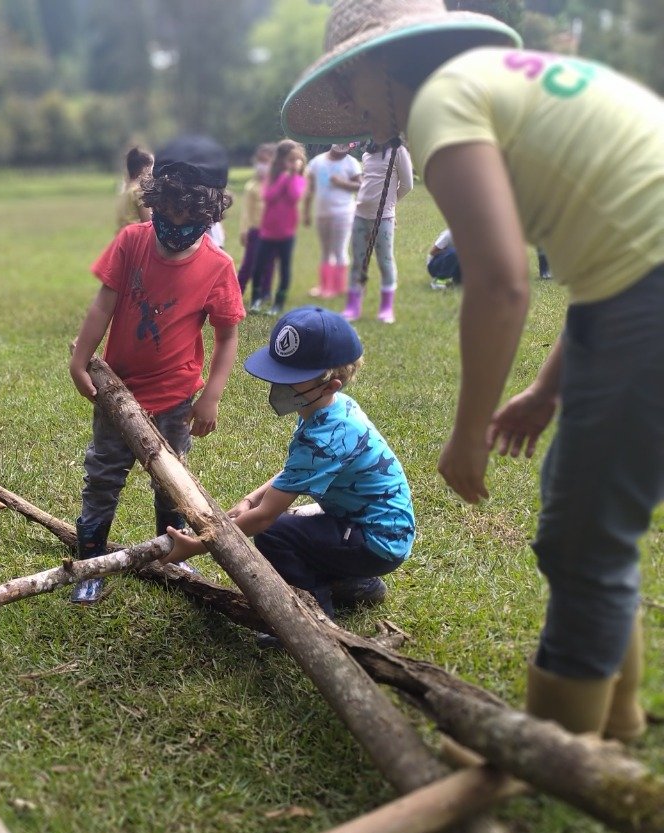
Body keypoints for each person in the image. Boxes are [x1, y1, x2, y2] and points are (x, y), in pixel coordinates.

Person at [282, 0, 664, 738]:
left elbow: (499, 281)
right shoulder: (489, 82)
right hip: (629, 295)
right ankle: (615, 718)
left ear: (379, 68)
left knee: (582, 537)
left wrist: (466, 434)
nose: (356, 111)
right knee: (591, 522)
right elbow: (608, 262)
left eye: (354, 88)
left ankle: (562, 751)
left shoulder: (442, 103)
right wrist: (546, 390)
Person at [68, 134, 245, 603]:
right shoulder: (131, 243)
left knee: (172, 482)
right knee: (103, 476)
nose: (175, 228)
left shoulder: (218, 267)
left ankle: (172, 554)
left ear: (209, 214)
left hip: (176, 398)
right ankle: (91, 565)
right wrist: (79, 359)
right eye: (166, 215)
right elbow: (102, 304)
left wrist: (212, 395)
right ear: (155, 202)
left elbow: (227, 335)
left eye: (189, 219)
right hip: (118, 394)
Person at [164, 307, 414, 619]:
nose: (278, 387)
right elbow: (297, 472)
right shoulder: (332, 410)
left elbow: (264, 518)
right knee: (295, 522)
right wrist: (250, 499)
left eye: (291, 380)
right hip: (370, 528)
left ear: (330, 385)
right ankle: (356, 585)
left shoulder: (325, 437)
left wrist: (198, 545)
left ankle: (314, 612)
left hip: (377, 542)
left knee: (277, 533)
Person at [341, 139, 413, 323]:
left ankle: (386, 309)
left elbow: (407, 185)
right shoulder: (367, 153)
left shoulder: (398, 151)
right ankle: (353, 306)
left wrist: (390, 206)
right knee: (358, 261)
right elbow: (369, 181)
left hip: (383, 218)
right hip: (360, 214)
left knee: (385, 261)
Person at [250, 139, 307, 314]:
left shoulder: (298, 179)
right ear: (281, 160)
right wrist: (283, 179)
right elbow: (268, 196)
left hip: (286, 232)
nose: (294, 163)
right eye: (290, 160)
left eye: (297, 160)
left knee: (284, 268)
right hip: (268, 231)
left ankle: (278, 303)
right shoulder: (273, 177)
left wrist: (290, 178)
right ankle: (256, 300)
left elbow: (293, 197)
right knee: (259, 266)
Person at [303, 142, 361, 298]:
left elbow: (360, 185)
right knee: (326, 251)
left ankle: (337, 287)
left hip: (343, 212)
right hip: (322, 213)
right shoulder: (317, 162)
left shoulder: (351, 163)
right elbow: (310, 188)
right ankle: (324, 286)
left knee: (339, 250)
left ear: (352, 146)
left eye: (348, 143)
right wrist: (306, 212)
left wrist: (342, 183)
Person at [235, 143, 276, 296]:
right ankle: (237, 291)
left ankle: (264, 294)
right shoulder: (252, 186)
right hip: (256, 232)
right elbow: (246, 212)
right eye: (260, 161)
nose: (262, 166)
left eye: (266, 162)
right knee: (249, 264)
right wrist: (244, 231)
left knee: (269, 265)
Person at [116, 146, 155, 233]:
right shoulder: (138, 191)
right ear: (145, 169)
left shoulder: (125, 189)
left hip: (123, 237)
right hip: (135, 238)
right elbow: (148, 222)